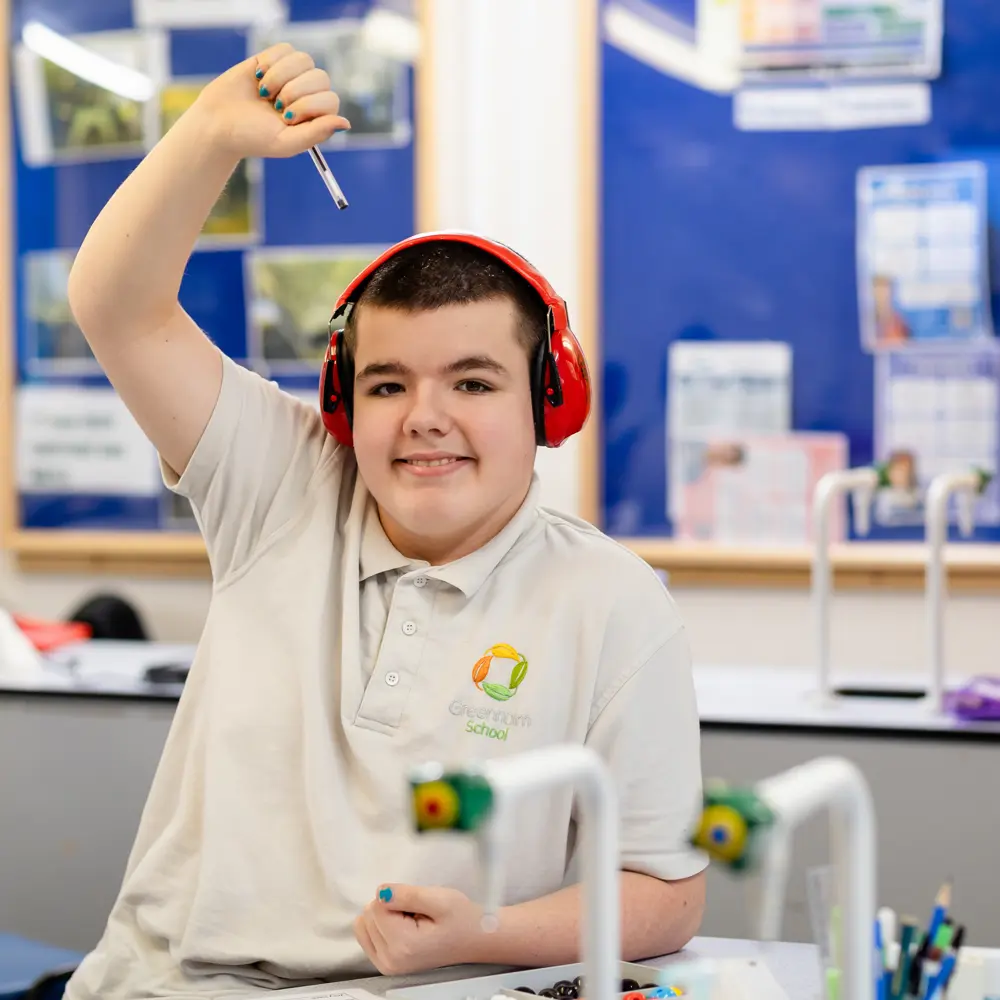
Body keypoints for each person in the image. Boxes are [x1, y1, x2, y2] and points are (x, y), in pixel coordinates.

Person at [62, 42, 707, 1000]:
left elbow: (665, 890)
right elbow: (116, 306)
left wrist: (485, 934)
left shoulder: (613, 601)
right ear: (342, 404)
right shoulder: (279, 482)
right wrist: (210, 134)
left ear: (549, 402)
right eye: (388, 384)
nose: (425, 418)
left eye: (474, 382)